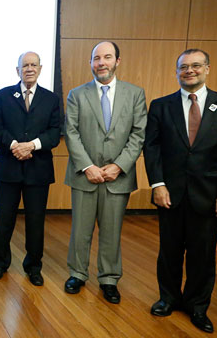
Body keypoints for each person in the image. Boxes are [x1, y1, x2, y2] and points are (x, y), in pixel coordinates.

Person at [144, 49, 217, 333]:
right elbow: (151, 148)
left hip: (209, 195)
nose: (189, 71)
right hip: (169, 194)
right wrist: (157, 184)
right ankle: (168, 298)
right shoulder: (160, 106)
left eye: (196, 66)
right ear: (177, 72)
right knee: (169, 252)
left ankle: (198, 307)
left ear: (207, 69)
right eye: (183, 67)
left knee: (203, 255)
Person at [63, 41, 146, 304]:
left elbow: (138, 133)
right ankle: (77, 273)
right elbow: (71, 132)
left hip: (117, 176)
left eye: (107, 57)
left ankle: (109, 278)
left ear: (117, 61)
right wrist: (87, 166)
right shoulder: (77, 94)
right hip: (84, 174)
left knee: (111, 231)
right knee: (81, 230)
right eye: (96, 58)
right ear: (90, 63)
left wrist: (119, 165)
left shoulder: (135, 94)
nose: (101, 62)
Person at [0, 51, 60, 285]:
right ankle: (0, 262)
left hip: (38, 169)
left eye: (33, 65)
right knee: (4, 218)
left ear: (40, 69)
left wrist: (32, 145)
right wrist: (14, 146)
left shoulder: (51, 99)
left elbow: (54, 133)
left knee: (36, 220)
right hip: (9, 167)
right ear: (17, 70)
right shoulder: (2, 96)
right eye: (25, 65)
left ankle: (33, 266)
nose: (29, 69)